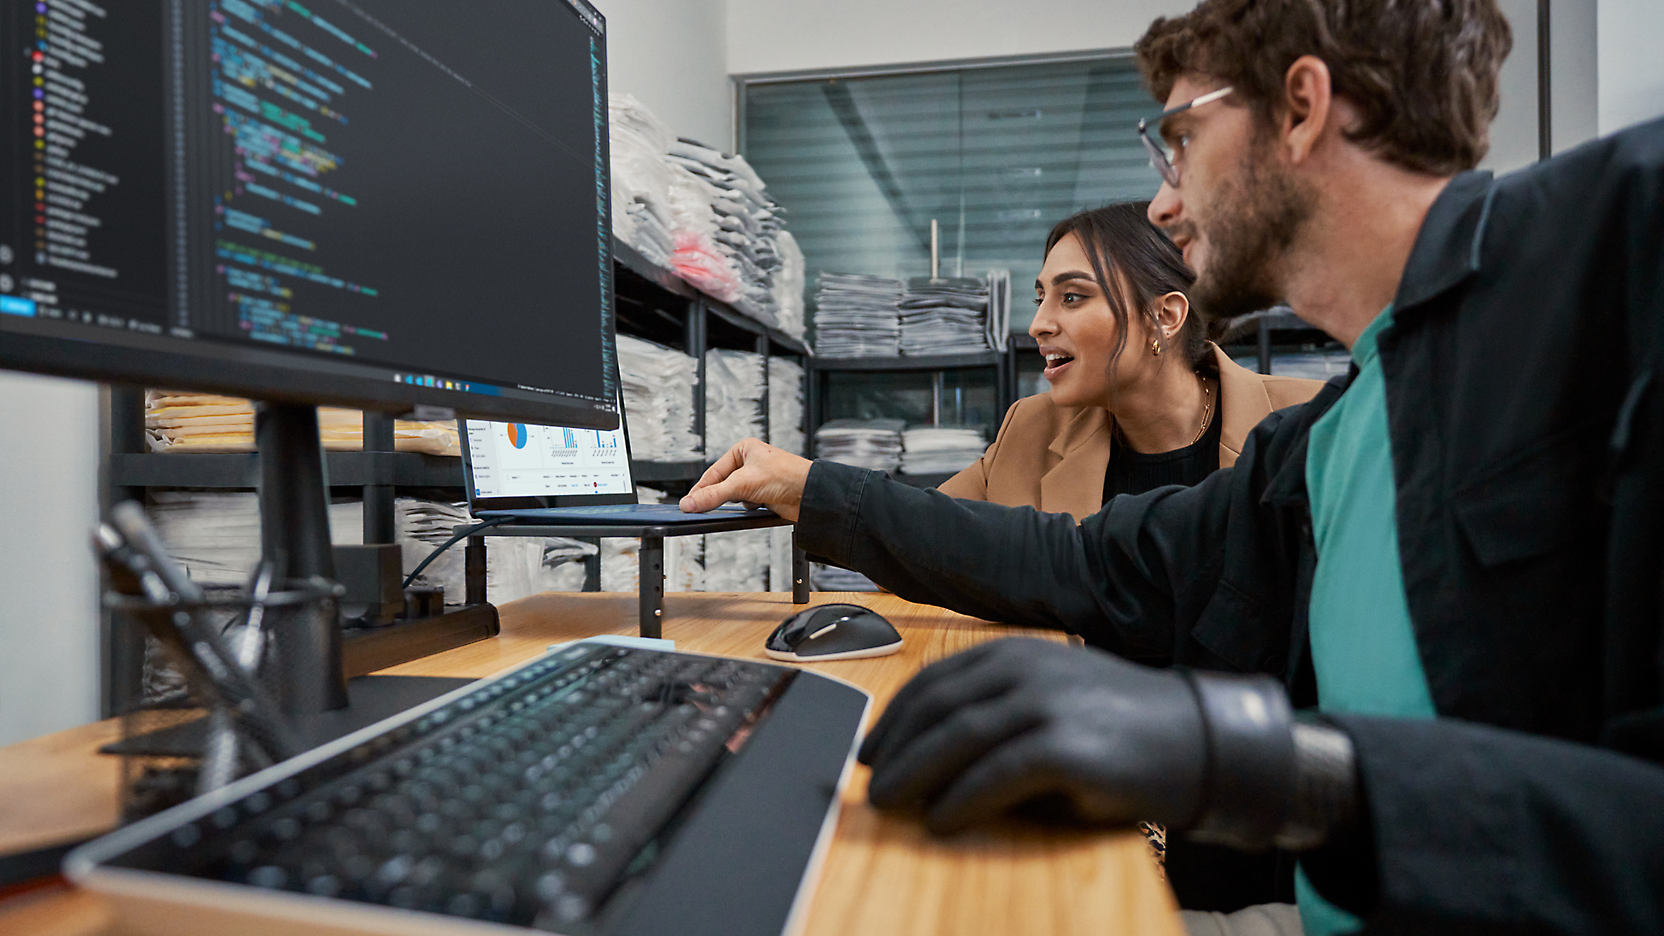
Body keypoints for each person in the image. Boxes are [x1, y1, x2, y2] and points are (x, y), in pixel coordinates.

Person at [678, 0, 1664, 932]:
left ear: (1300, 107)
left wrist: (1248, 760)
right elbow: (1080, 564)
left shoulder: (1625, 240)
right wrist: (809, 487)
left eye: (1180, 137)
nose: (1161, 198)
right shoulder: (1329, 437)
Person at [939, 201, 1322, 522]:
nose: (1038, 325)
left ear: (1166, 317)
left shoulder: (1312, 422)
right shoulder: (1031, 429)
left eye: (1072, 297)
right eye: (1041, 299)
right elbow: (913, 540)